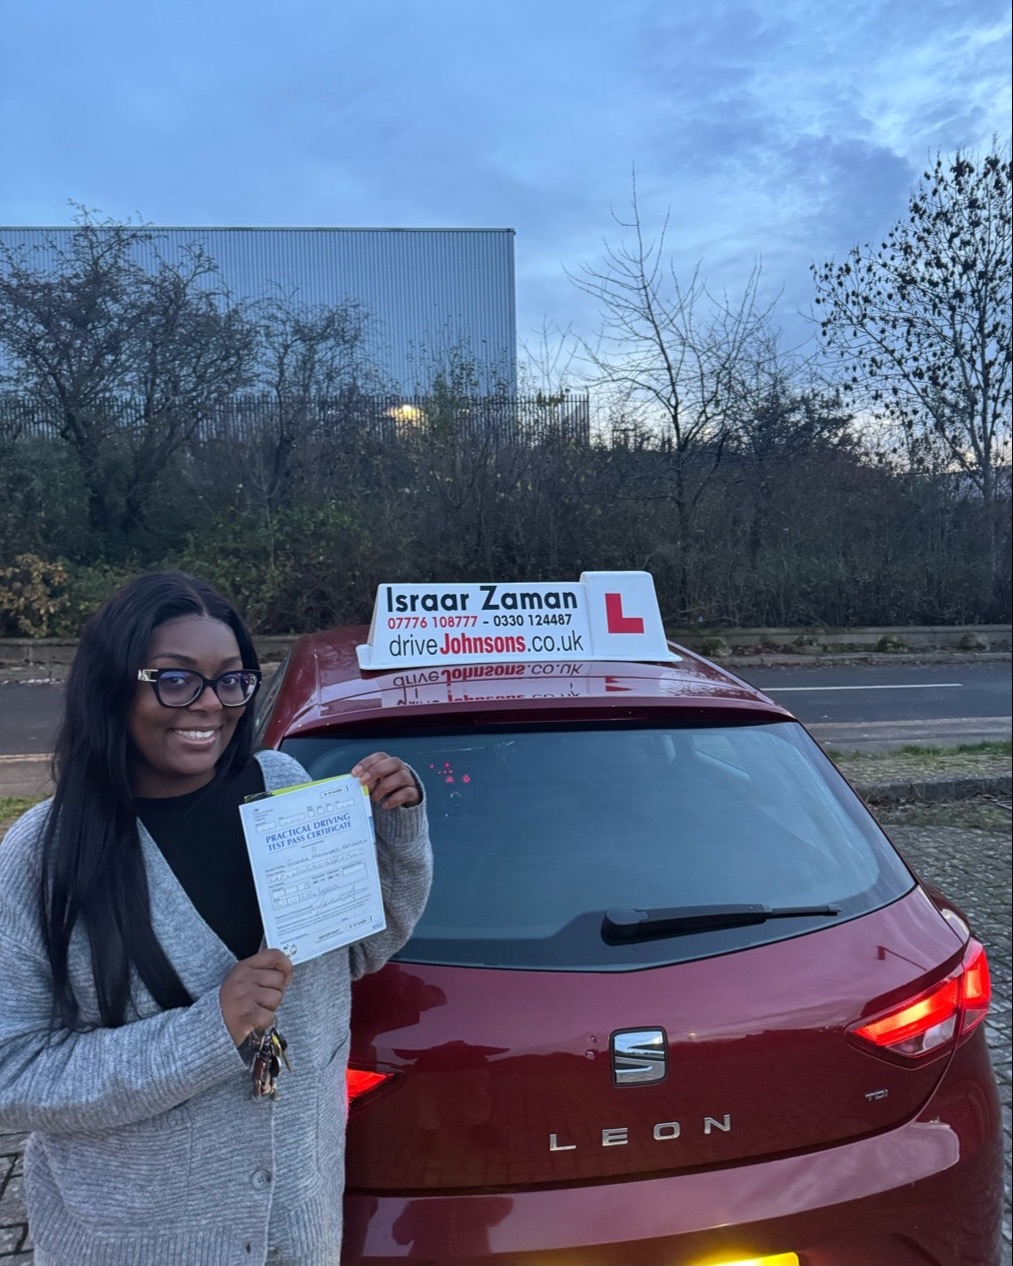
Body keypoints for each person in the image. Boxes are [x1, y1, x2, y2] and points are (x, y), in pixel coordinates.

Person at [0, 572, 432, 1266]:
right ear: (114, 685)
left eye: (231, 681)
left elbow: (363, 949)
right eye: (175, 680)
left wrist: (399, 835)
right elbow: (11, 1074)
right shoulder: (44, 856)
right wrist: (210, 1031)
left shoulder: (285, 791)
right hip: (134, 1245)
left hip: (296, 1225)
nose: (208, 705)